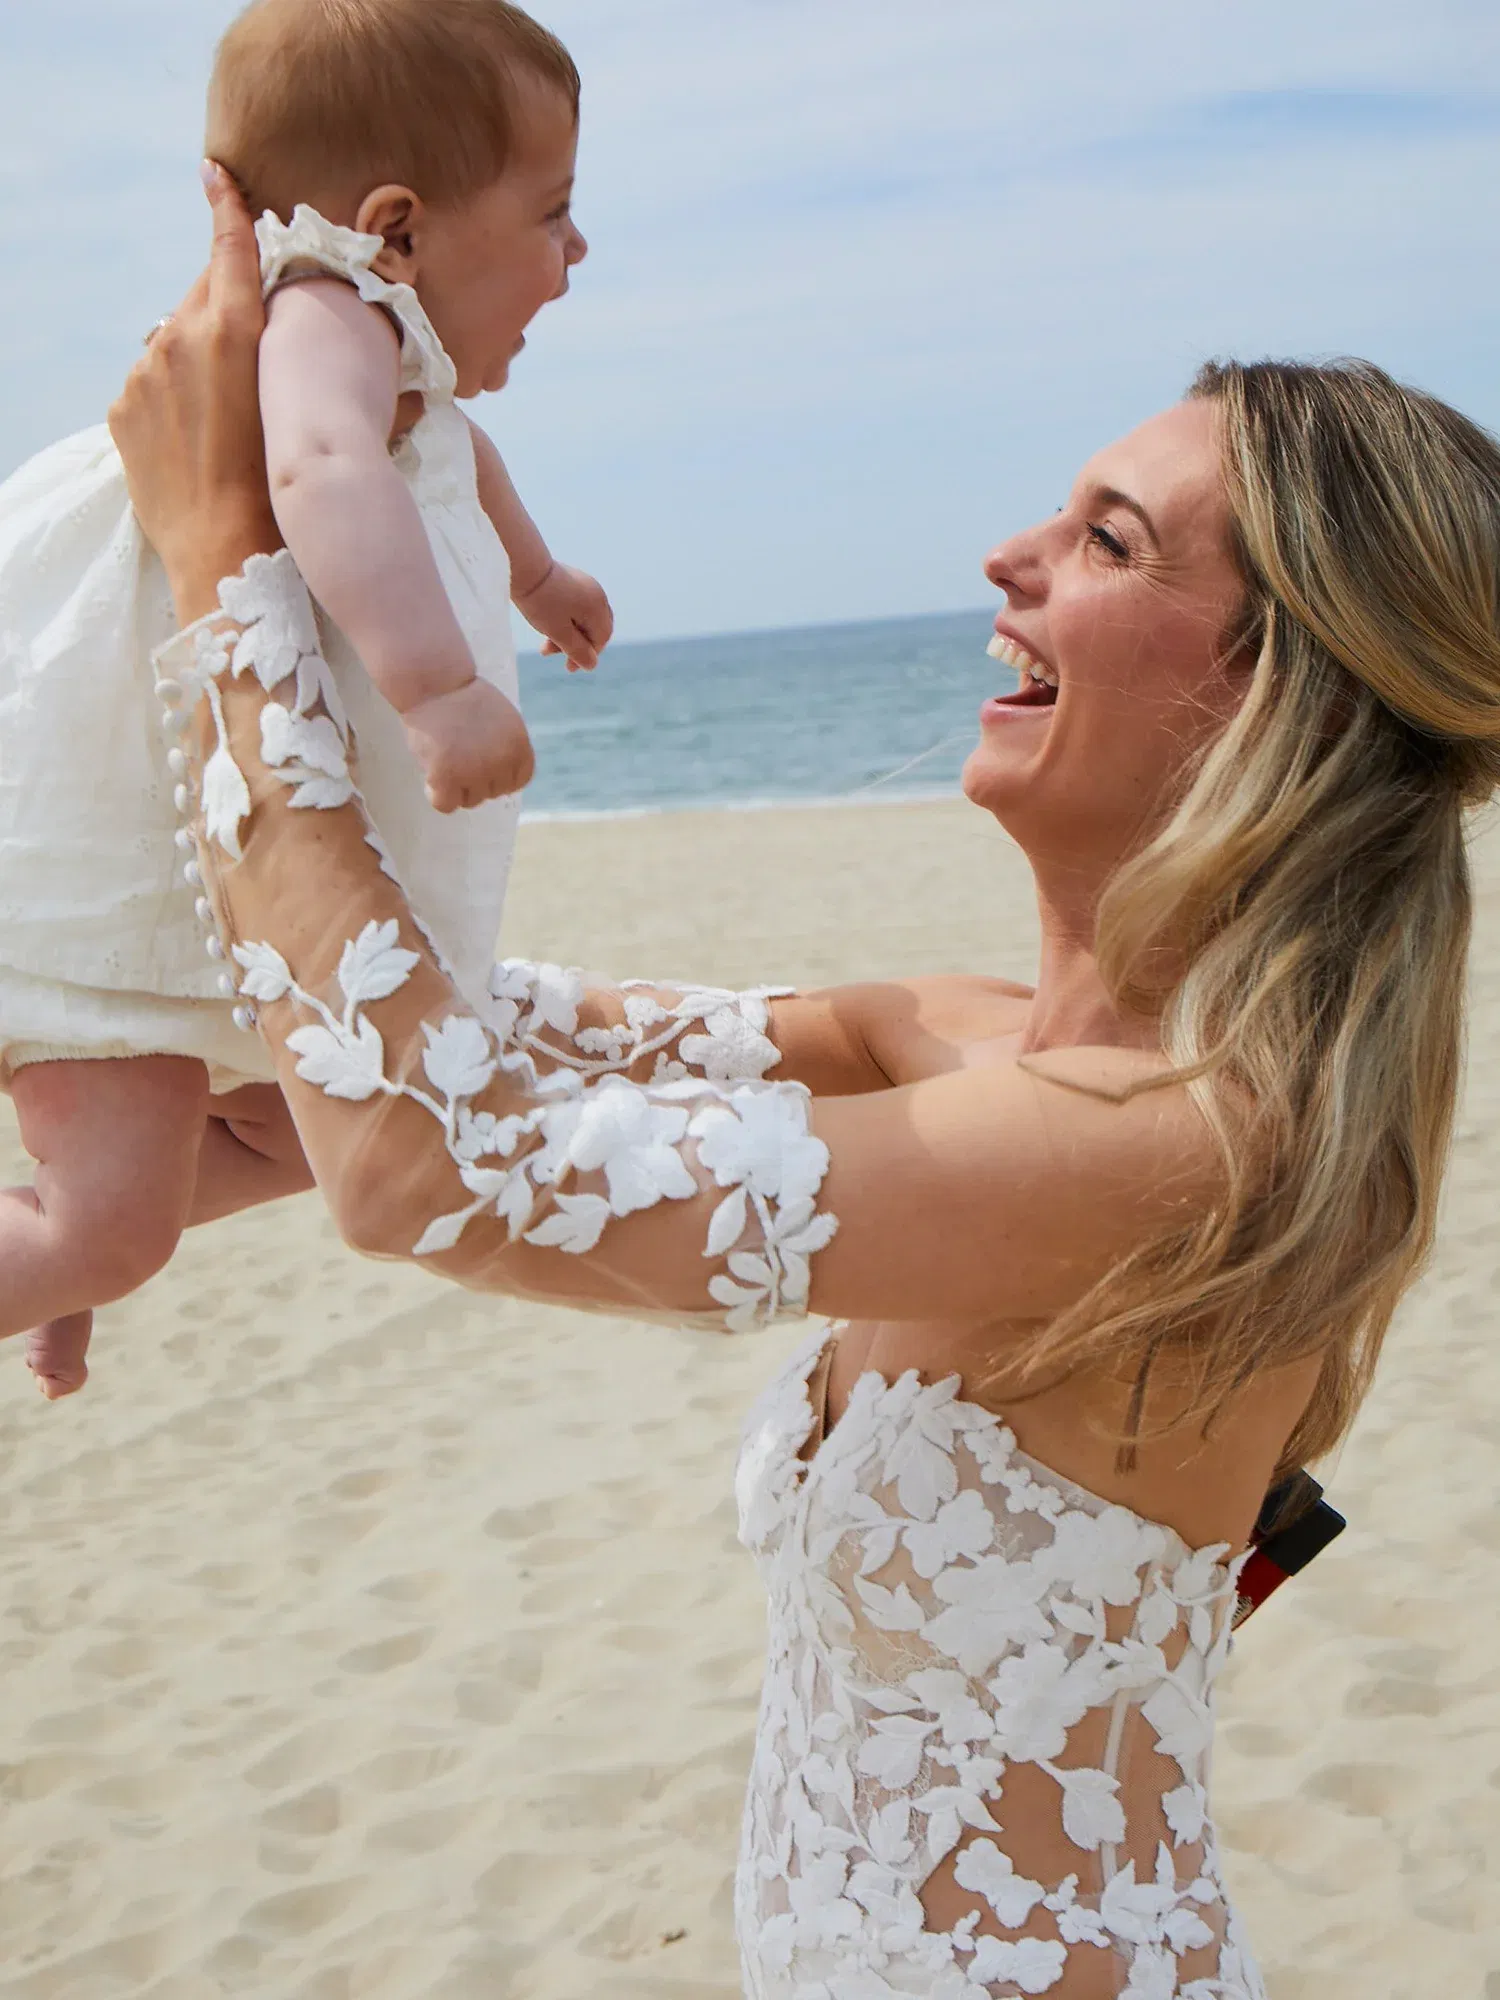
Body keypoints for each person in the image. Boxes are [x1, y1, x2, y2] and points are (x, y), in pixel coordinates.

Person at [105, 169, 1500, 1999]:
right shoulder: (965, 1033)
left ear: (1278, 703)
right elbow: (486, 1045)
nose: (1010, 555)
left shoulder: (1186, 1152)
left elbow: (436, 1171)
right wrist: (136, 1101)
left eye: (1107, 541)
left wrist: (229, 555)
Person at [0, 0, 611, 1398]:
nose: (577, 254)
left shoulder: (401, 365)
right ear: (393, 229)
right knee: (119, 1223)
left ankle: (62, 1226)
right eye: (554, 212)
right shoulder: (320, 318)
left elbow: (454, 456)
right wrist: (439, 689)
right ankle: (67, 1235)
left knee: (298, 1121)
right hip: (127, 852)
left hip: (204, 861)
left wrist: (538, 571)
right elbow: (326, 473)